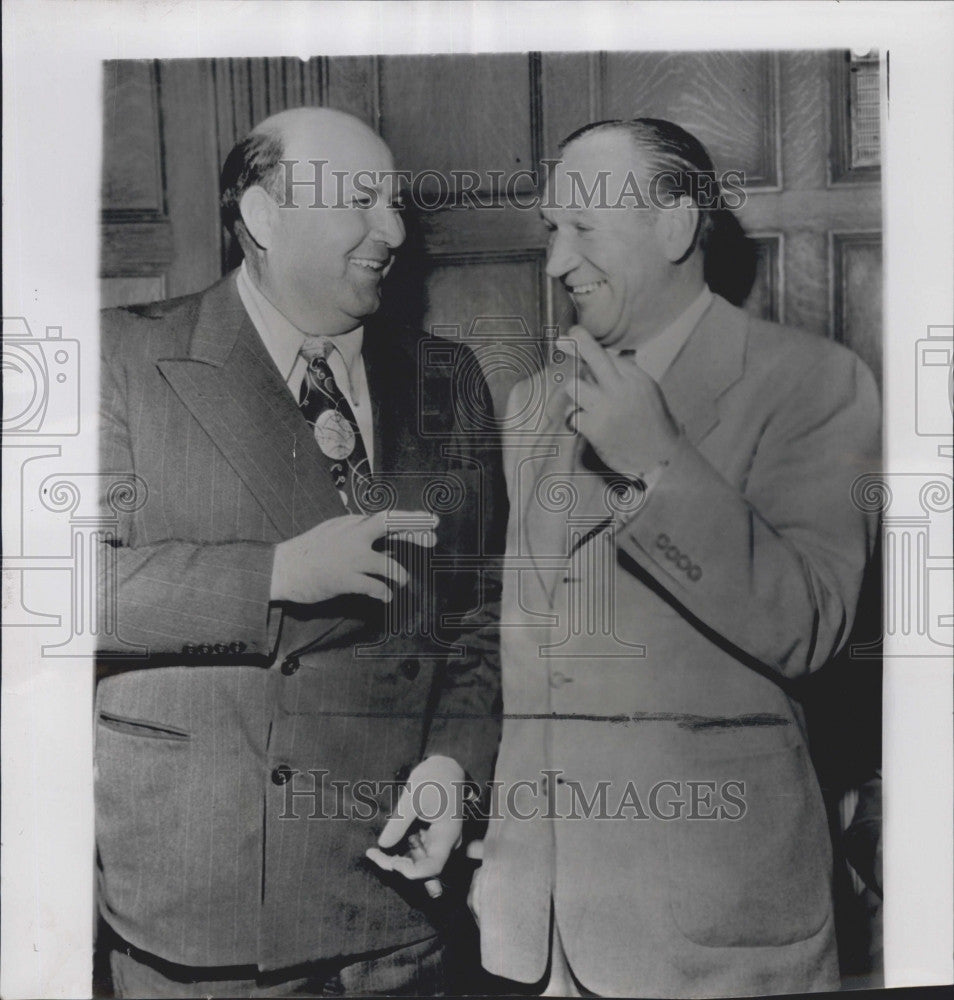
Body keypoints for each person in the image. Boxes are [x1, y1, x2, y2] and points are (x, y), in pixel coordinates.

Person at [95, 107, 506, 997]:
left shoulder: (448, 377)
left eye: (394, 203)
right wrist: (277, 575)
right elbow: (52, 594)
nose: (392, 231)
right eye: (360, 200)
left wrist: (452, 765)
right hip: (212, 904)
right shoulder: (122, 358)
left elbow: (480, 609)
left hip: (397, 908)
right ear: (262, 214)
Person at [467, 119, 881, 997]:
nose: (555, 263)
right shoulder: (533, 404)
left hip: (716, 934)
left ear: (678, 225)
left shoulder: (813, 381)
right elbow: (522, 648)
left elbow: (812, 624)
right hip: (537, 931)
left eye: (585, 227)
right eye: (552, 231)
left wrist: (660, 466)